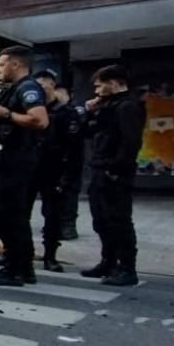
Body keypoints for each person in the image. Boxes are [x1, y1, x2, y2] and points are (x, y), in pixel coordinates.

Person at [0, 46, 49, 287]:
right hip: (7, 159)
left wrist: (9, 115)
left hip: (20, 159)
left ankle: (14, 269)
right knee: (10, 215)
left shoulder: (28, 88)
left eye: (1, 64)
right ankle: (23, 267)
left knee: (11, 216)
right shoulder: (11, 89)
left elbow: (40, 120)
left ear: (15, 64)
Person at [82, 64, 145, 286]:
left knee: (119, 220)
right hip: (99, 169)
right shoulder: (108, 105)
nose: (97, 90)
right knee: (101, 220)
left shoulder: (128, 106)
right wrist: (90, 112)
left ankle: (127, 268)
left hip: (115, 173)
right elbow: (89, 131)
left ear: (113, 82)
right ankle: (108, 261)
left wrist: (115, 169)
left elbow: (130, 143)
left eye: (100, 86)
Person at [30, 71, 83, 272]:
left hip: (54, 170)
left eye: (43, 87)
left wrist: (68, 178)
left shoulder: (65, 113)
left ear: (52, 86)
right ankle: (19, 252)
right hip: (30, 168)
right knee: (19, 213)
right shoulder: (31, 110)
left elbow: (74, 149)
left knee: (52, 216)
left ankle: (50, 256)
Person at [58, 88, 87, 240]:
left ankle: (69, 226)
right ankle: (56, 224)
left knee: (69, 191)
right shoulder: (51, 109)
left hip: (72, 157)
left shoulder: (76, 110)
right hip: (55, 157)